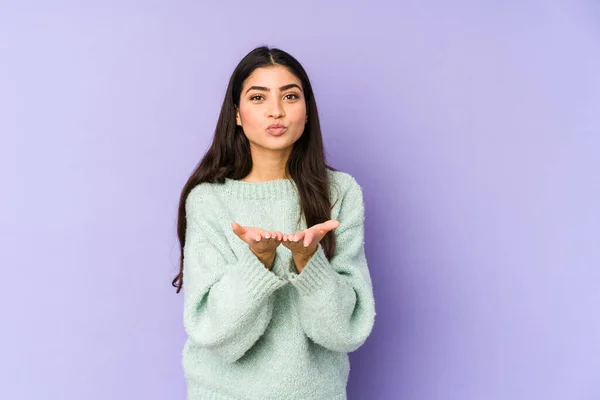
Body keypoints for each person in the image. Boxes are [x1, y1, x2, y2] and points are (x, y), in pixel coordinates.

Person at [173, 45, 376, 400]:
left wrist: (308, 262)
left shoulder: (341, 194)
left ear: (307, 110)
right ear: (237, 114)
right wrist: (259, 261)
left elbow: (345, 332)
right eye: (258, 97)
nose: (276, 111)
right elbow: (215, 336)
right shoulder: (208, 200)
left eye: (290, 95)